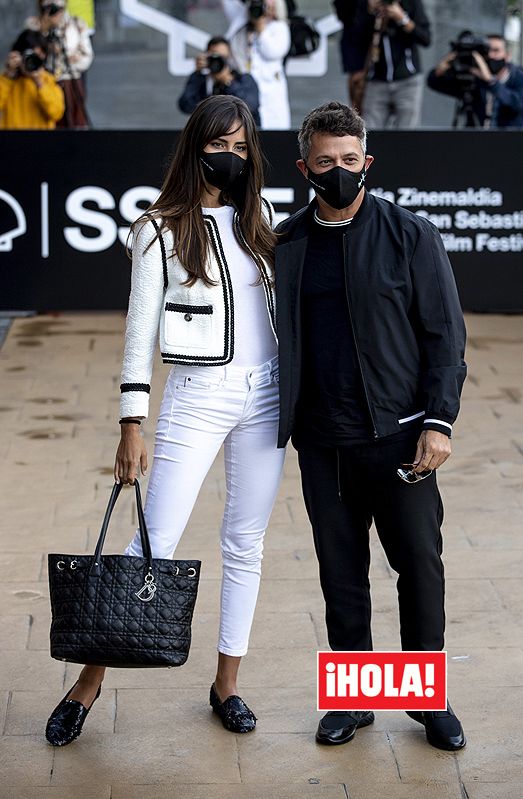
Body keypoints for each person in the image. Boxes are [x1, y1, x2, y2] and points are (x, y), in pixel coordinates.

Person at [45, 95, 285, 746]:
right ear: (195, 147)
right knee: (153, 542)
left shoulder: (260, 216)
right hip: (195, 395)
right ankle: (87, 683)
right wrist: (132, 421)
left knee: (245, 544)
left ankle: (226, 684)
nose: (230, 158)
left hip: (264, 398)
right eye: (219, 146)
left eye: (241, 148)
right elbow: (138, 331)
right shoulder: (157, 227)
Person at [274, 101, 467, 751]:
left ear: (367, 163)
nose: (338, 172)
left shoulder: (410, 235)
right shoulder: (286, 241)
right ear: (304, 167)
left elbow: (444, 337)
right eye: (324, 162)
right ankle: (353, 701)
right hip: (322, 442)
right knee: (340, 572)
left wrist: (436, 423)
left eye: (349, 161)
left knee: (418, 565)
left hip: (400, 438)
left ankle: (424, 698)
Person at [339, 0, 431, 128]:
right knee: (370, 131)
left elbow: (425, 38)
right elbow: (352, 37)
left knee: (408, 133)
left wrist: (402, 18)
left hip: (407, 80)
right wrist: (369, 12)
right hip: (375, 80)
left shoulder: (409, 3)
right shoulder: (363, 5)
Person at [427, 34, 523, 128]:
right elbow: (436, 84)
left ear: (507, 55)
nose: (490, 55)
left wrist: (491, 81)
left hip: (512, 140)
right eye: (486, 50)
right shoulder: (476, 81)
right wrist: (440, 70)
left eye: (496, 50)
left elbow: (516, 103)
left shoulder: (518, 77)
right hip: (481, 140)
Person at [223, 0, 291, 129]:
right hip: (246, 87)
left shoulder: (279, 27)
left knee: (272, 131)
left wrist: (261, 28)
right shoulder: (241, 24)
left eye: (269, 5)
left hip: (271, 91)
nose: (265, 9)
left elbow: (273, 51)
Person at [25, 0, 93, 127]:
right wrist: (44, 29)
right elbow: (29, 57)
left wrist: (64, 55)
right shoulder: (34, 25)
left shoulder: (77, 24)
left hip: (71, 82)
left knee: (75, 122)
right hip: (44, 82)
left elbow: (86, 57)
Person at [178, 35, 261, 125]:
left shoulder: (244, 79)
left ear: (230, 58)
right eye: (215, 57)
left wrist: (228, 81)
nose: (219, 61)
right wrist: (197, 74)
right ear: (207, 57)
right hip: (210, 133)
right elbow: (185, 105)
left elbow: (250, 106)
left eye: (224, 58)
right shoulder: (201, 81)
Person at [0, 30, 64, 129]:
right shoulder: (7, 80)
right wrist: (9, 75)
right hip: (11, 141)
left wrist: (39, 83)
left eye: (35, 57)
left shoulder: (48, 80)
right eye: (28, 57)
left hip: (40, 141)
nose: (31, 62)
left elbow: (56, 113)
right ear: (18, 55)